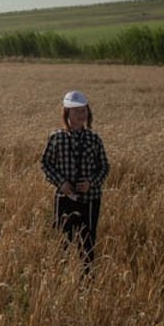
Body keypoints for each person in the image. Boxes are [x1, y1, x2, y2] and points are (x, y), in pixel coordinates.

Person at [40, 90, 110, 270]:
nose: (81, 115)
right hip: (64, 199)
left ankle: (87, 284)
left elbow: (104, 167)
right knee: (61, 243)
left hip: (90, 200)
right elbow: (45, 163)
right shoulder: (57, 138)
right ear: (67, 113)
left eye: (84, 110)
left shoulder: (94, 139)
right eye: (77, 111)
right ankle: (59, 280)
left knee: (87, 244)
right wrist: (61, 183)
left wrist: (91, 183)